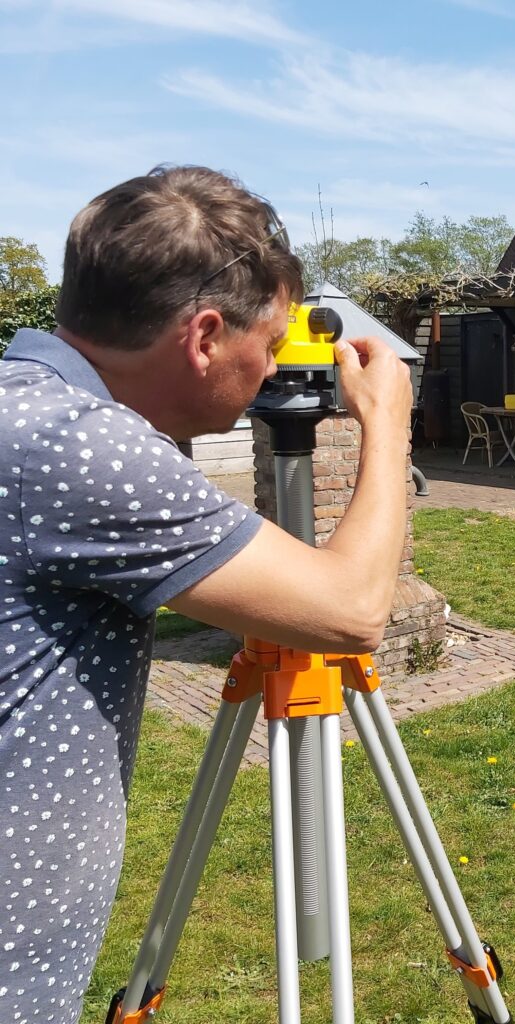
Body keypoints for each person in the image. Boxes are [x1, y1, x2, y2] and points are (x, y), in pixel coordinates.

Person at [0, 166, 413, 1024]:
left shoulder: (25, 411)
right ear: (205, 337)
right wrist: (389, 420)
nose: (273, 366)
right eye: (270, 344)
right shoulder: (81, 449)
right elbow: (351, 609)